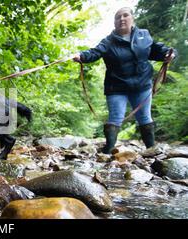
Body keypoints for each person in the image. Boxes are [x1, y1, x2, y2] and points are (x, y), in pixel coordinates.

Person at [73, 7, 177, 154]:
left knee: (145, 117)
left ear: (132, 18)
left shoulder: (144, 35)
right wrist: (81, 56)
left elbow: (157, 51)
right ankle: (108, 151)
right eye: (118, 17)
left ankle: (151, 150)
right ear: (114, 23)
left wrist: (169, 54)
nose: (121, 19)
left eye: (125, 15)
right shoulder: (108, 41)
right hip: (116, 87)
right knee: (115, 117)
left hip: (142, 85)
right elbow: (94, 53)